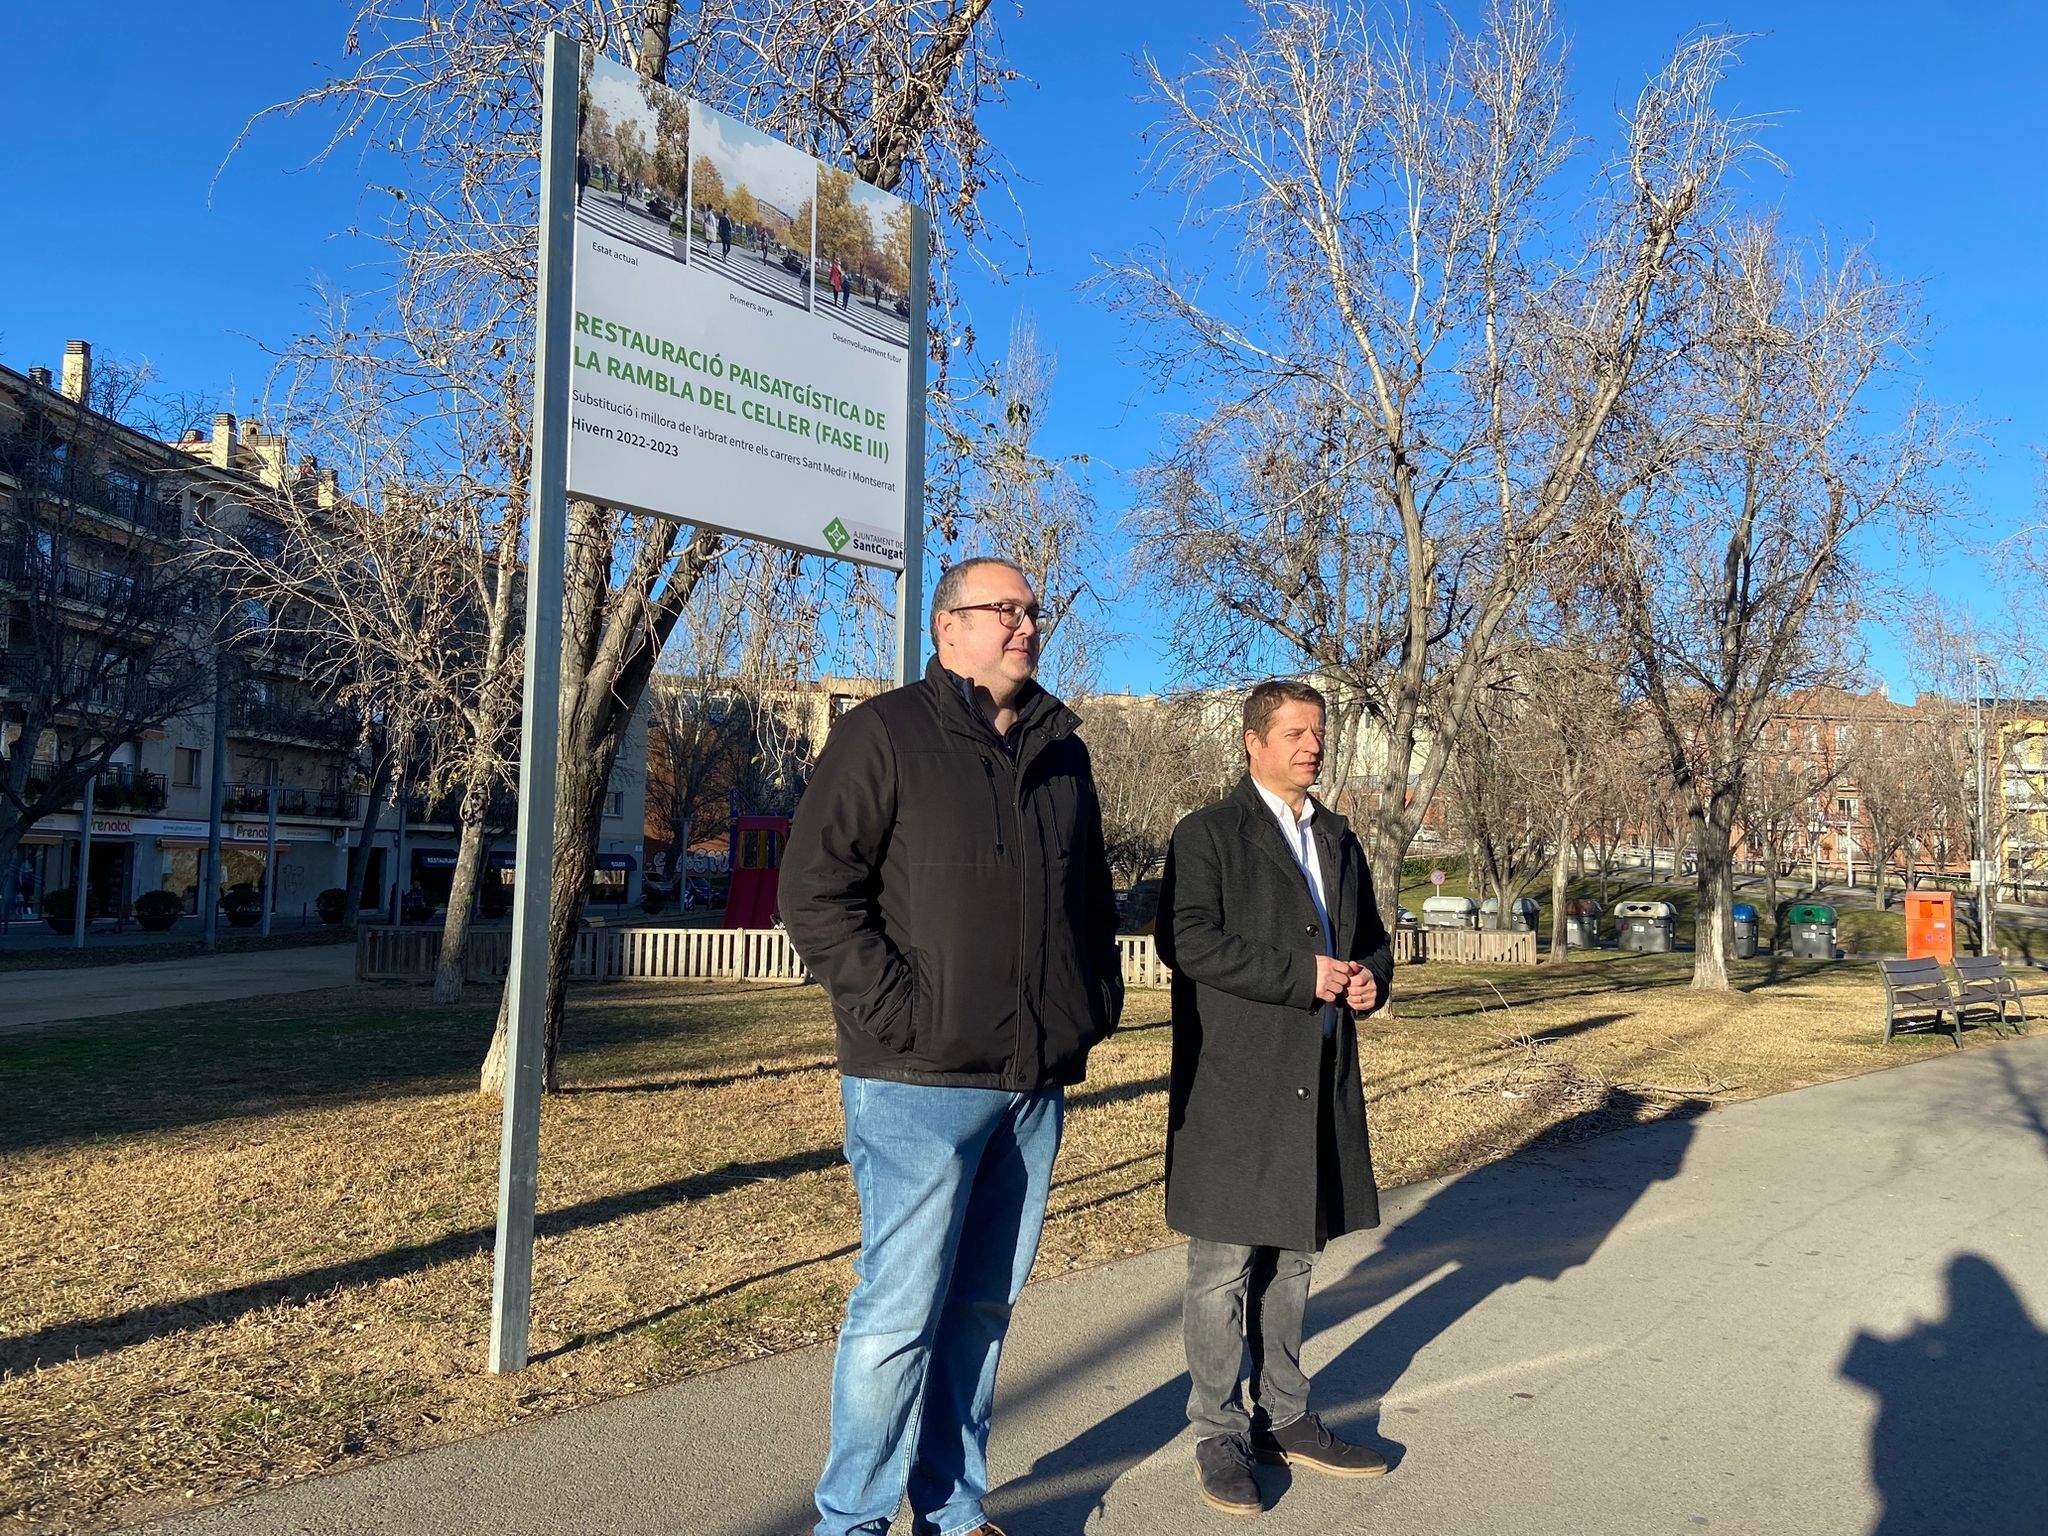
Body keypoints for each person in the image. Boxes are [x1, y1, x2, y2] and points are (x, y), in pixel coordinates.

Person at [782, 556, 1124, 1536]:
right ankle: (850, 1524)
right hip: (915, 1085)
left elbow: (1090, 900)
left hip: (1030, 1087)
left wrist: (1086, 1008)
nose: (1024, 625)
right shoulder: (881, 734)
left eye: (1031, 611)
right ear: (946, 627)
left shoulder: (1064, 751)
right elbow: (813, 890)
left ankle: (950, 1508)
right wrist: (898, 1015)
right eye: (1001, 610)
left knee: (979, 1313)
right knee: (896, 1319)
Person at [1155, 677, 1395, 1516]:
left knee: (1294, 1258)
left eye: (1318, 732)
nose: (1312, 745)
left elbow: (1368, 940)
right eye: (1295, 732)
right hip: (1234, 1083)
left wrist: (1371, 981)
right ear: (1253, 741)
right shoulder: (1208, 834)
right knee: (1223, 1266)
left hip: (1319, 1080)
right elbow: (1186, 940)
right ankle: (1218, 1431)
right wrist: (1305, 976)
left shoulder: (1337, 837)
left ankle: (1285, 1416)